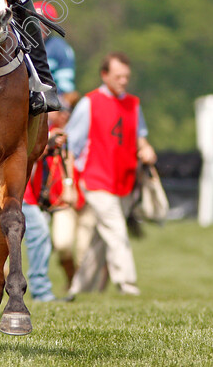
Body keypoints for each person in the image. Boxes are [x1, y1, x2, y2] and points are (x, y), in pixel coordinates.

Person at [64, 52, 157, 298]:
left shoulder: (133, 105)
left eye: (126, 76)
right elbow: (71, 146)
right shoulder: (89, 103)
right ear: (104, 75)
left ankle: (77, 289)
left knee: (100, 240)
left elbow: (140, 138)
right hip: (96, 181)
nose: (123, 81)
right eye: (118, 76)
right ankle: (128, 284)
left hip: (124, 182)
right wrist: (70, 183)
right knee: (116, 230)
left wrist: (147, 150)